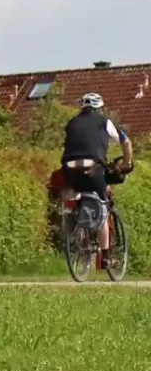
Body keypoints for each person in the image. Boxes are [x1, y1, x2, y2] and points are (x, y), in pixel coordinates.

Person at [61, 92, 133, 268]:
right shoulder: (105, 121)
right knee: (102, 210)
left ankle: (74, 219)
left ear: (82, 108)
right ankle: (106, 258)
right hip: (94, 168)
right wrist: (127, 163)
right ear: (100, 107)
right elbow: (126, 142)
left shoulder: (71, 122)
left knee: (76, 189)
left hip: (69, 168)